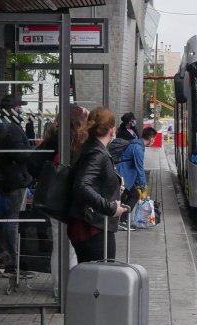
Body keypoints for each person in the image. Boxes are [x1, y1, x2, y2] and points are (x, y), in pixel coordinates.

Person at [31, 105, 89, 299]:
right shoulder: (85, 139)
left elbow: (32, 164)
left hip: (56, 200)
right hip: (78, 199)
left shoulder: (55, 137)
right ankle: (71, 289)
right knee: (73, 247)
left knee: (59, 245)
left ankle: (59, 289)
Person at [68, 107, 128, 262]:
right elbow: (82, 185)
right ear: (112, 129)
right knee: (100, 279)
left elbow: (91, 181)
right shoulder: (97, 153)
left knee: (93, 277)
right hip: (93, 226)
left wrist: (115, 186)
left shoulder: (90, 147)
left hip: (89, 225)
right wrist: (111, 208)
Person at [0, 95, 32, 276]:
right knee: (12, 221)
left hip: (1, 179)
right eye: (18, 107)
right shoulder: (11, 128)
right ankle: (12, 264)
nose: (21, 110)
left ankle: (4, 260)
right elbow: (20, 155)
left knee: (3, 218)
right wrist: (32, 149)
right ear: (12, 108)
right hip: (14, 180)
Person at [116, 127, 157, 231]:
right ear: (151, 138)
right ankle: (121, 221)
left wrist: (137, 183)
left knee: (127, 197)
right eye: (154, 138)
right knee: (133, 196)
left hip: (125, 175)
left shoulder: (136, 144)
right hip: (123, 176)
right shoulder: (138, 148)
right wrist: (143, 189)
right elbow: (140, 169)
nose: (154, 141)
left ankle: (121, 220)